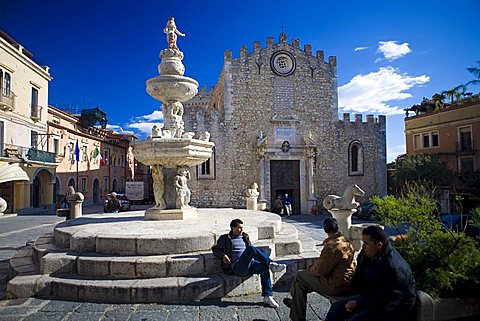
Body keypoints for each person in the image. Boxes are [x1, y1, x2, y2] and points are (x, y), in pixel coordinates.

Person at [325, 225, 416, 321]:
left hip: (394, 308)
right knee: (336, 308)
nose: (363, 247)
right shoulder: (368, 254)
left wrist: (358, 304)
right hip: (373, 297)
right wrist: (351, 297)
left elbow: (389, 302)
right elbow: (359, 278)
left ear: (379, 245)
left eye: (366, 243)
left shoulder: (394, 268)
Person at [284, 218, 356, 321]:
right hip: (346, 281)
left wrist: (310, 269)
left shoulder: (332, 247)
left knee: (300, 274)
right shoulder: (346, 241)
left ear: (325, 230)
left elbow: (320, 271)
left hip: (335, 285)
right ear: (337, 228)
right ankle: (296, 312)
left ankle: (295, 303)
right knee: (299, 286)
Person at [211, 218, 287, 308]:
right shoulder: (225, 238)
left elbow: (253, 253)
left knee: (264, 267)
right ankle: (271, 263)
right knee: (250, 249)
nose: (242, 230)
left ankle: (268, 296)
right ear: (232, 227)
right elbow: (215, 249)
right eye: (239, 228)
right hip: (237, 267)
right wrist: (223, 255)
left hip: (250, 264)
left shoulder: (245, 236)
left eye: (242, 228)